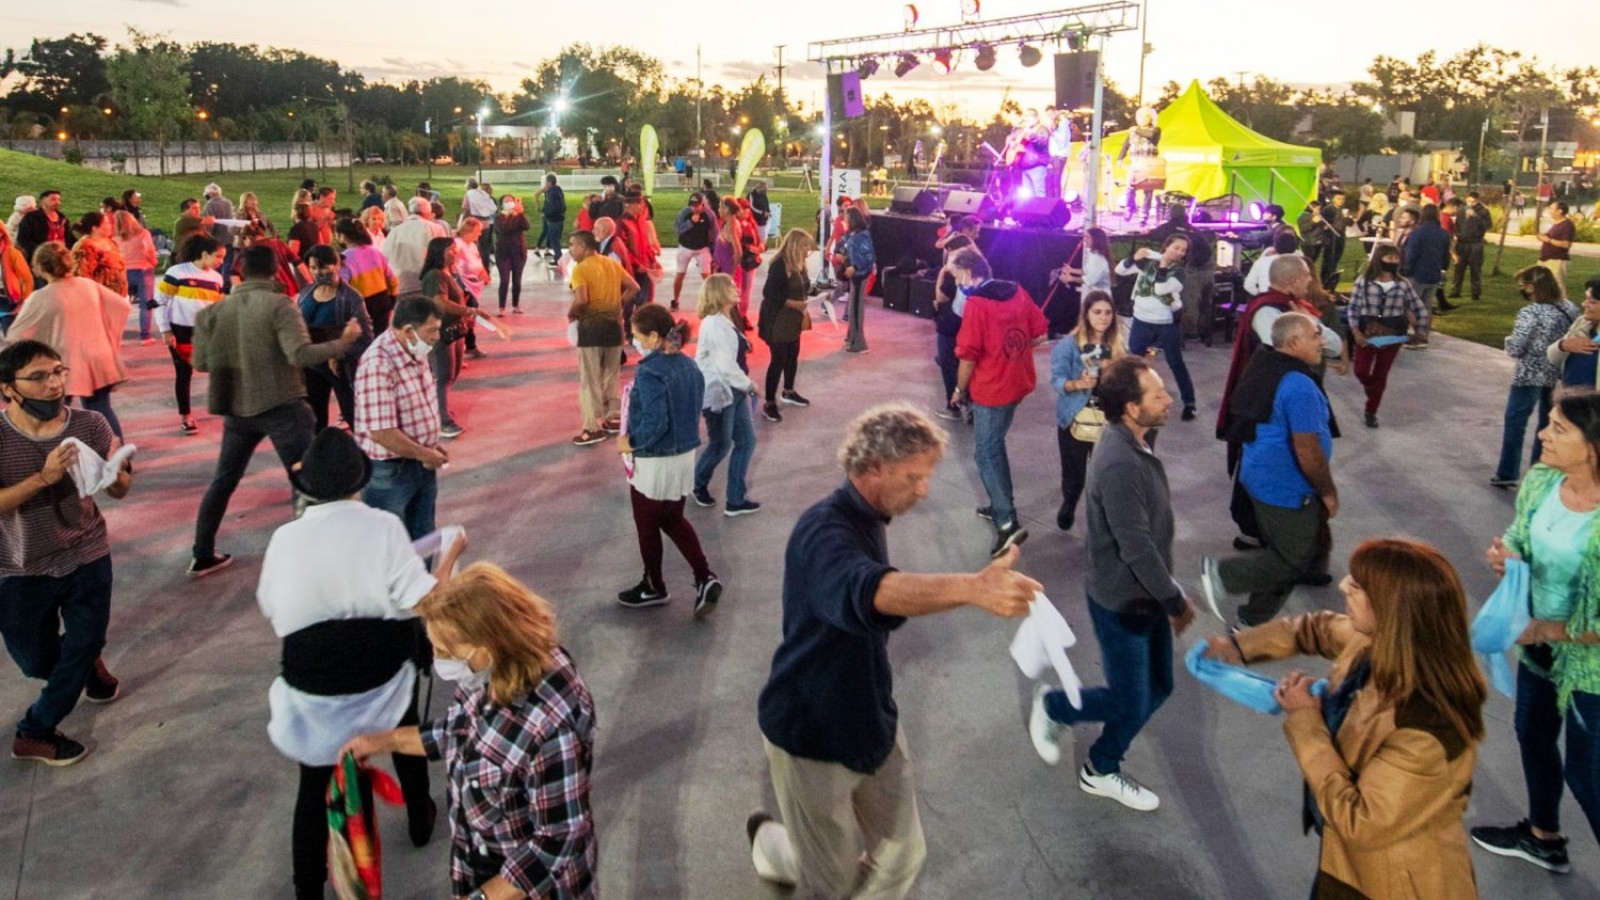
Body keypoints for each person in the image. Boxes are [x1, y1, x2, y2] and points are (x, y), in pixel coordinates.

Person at [748, 403, 1036, 897]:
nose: (924, 490)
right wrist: (973, 588)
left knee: (903, 853)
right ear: (873, 466)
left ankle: (779, 846)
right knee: (831, 882)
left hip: (869, 718)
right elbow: (869, 592)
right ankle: (784, 848)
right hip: (810, 735)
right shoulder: (824, 530)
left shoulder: (870, 516)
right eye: (914, 477)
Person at [1205, 539, 1486, 899]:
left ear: (1391, 609)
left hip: (1390, 882)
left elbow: (1362, 821)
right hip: (1350, 864)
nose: (1342, 586)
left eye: (1356, 585)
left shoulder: (1430, 724)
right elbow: (1315, 628)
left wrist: (1306, 719)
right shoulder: (1378, 641)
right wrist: (1240, 646)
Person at [258, 427, 458, 900]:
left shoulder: (284, 538)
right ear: (359, 480)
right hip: (382, 672)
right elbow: (425, 601)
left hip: (312, 680)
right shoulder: (384, 526)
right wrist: (451, 553)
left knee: (313, 783)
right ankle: (418, 815)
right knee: (406, 733)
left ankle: (308, 887)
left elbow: (274, 607)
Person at [340, 563, 598, 899]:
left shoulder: (549, 727)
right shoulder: (485, 675)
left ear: (490, 645)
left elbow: (557, 842)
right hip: (480, 863)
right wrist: (379, 742)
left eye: (448, 652)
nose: (440, 661)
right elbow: (459, 732)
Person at [1028, 356, 1197, 811]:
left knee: (1158, 688)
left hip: (1147, 595)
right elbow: (1136, 547)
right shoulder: (1121, 463)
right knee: (1129, 699)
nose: (1168, 397)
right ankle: (1068, 725)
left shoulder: (1134, 437)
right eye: (1156, 394)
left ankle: (1097, 757)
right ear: (1129, 408)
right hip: (1124, 600)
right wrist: (1175, 600)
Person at [1470, 391, 1600, 873]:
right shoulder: (1544, 479)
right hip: (1538, 651)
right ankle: (1544, 836)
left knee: (1589, 778)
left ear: (1594, 446)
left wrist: (1544, 627)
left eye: (1559, 428)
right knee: (1534, 735)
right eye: (1547, 422)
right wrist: (1506, 555)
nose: (1543, 434)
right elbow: (1521, 533)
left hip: (1591, 672)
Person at [188, 245, 362, 577]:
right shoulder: (280, 305)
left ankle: (201, 552)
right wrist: (343, 341)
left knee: (224, 480)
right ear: (275, 271)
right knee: (308, 480)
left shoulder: (214, 312)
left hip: (238, 410)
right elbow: (299, 354)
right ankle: (321, 555)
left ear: (241, 270)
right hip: (282, 406)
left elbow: (201, 362)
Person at [0, 340, 131, 766]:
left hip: (86, 550)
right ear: (8, 389)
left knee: (83, 642)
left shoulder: (90, 423)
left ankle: (34, 730)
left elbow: (120, 488)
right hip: (20, 566)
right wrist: (44, 476)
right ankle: (87, 667)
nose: (54, 384)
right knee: (37, 660)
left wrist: (115, 475)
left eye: (58, 371)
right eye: (38, 377)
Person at [1202, 313, 1339, 628]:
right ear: (1294, 342)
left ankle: (1253, 617)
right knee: (1291, 559)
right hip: (1286, 488)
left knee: (1295, 549)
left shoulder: (1267, 364)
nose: (1322, 341)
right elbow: (1307, 449)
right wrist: (1328, 492)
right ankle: (1225, 578)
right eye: (1316, 335)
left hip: (1258, 476)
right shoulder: (1300, 386)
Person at [616, 304, 721, 614]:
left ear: (652, 336)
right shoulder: (688, 366)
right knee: (673, 519)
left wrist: (629, 443)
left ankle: (654, 586)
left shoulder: (650, 371)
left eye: (636, 336)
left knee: (647, 526)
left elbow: (656, 422)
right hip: (684, 457)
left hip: (653, 462)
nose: (633, 341)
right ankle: (704, 577)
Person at [950, 247, 1047, 557]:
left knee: (985, 453)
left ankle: (1007, 523)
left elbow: (967, 356)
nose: (956, 282)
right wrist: (1012, 357)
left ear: (967, 273)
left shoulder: (977, 305)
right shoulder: (1016, 291)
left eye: (955, 276)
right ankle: (999, 504)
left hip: (992, 390)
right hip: (1017, 382)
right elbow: (1039, 333)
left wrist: (957, 389)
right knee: (994, 446)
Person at [7, 242, 131, 438]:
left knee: (55, 411)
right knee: (100, 408)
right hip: (98, 356)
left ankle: (63, 456)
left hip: (64, 362)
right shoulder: (87, 285)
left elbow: (17, 334)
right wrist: (108, 337)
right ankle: (118, 457)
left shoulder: (41, 297)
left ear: (40, 267)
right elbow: (121, 307)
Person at [353, 297, 448, 540]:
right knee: (393, 544)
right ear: (408, 330)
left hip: (420, 461)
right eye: (432, 330)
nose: (436, 336)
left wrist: (429, 446)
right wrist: (425, 453)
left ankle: (422, 578)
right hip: (391, 473)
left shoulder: (415, 348)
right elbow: (382, 432)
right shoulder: (378, 364)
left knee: (423, 536)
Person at [1493, 266, 1580, 488]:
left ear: (1532, 287)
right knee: (1548, 424)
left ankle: (1507, 472)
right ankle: (1539, 471)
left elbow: (1516, 347)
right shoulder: (1570, 308)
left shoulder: (1530, 313)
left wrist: (1508, 341)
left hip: (1528, 375)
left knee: (1516, 422)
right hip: (1555, 373)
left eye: (1522, 285)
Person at [1050, 289, 1126, 531]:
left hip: (1108, 419)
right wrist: (1077, 384)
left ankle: (1101, 521)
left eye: (1108, 312)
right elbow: (1057, 381)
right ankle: (1070, 502)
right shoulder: (1069, 345)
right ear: (1086, 314)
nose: (1103, 318)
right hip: (1075, 416)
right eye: (1097, 312)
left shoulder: (1117, 344)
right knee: (1074, 475)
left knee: (1104, 474)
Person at [692, 274, 760, 516]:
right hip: (722, 393)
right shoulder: (714, 324)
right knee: (721, 444)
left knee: (746, 441)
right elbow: (724, 366)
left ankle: (735, 499)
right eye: (730, 286)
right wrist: (750, 384)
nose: (736, 288)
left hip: (734, 391)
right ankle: (698, 482)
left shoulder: (726, 319)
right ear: (718, 292)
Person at [567, 230, 638, 446]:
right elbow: (634, 287)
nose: (570, 249)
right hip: (613, 327)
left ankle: (591, 427)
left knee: (589, 380)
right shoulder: (610, 263)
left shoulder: (580, 269)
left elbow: (581, 299)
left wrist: (572, 314)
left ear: (583, 246)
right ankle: (613, 416)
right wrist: (617, 304)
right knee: (611, 374)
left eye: (572, 245)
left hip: (590, 329)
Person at [1348, 245, 1430, 428]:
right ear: (1379, 259)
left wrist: (1421, 332)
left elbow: (1419, 308)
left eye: (1396, 258)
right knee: (1360, 370)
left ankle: (1371, 411)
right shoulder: (1363, 282)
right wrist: (1356, 331)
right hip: (1367, 333)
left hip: (1394, 335)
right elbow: (1353, 308)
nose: (1393, 262)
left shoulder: (1403, 284)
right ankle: (1372, 389)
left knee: (1381, 374)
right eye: (1389, 258)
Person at [1118, 234, 1197, 421]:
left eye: (1183, 250)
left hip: (1166, 323)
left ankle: (1189, 403)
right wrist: (1133, 258)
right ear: (1167, 245)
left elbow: (1161, 289)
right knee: (1134, 360)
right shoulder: (1148, 262)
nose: (1179, 252)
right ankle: (1132, 397)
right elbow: (1120, 270)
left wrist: (1162, 263)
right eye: (1176, 247)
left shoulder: (1178, 272)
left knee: (1175, 362)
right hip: (1142, 320)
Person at [156, 233, 227, 435]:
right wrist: (166, 330)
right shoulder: (176, 273)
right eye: (219, 256)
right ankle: (186, 416)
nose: (222, 262)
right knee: (184, 375)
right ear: (205, 254)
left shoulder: (216, 278)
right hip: (179, 332)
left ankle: (223, 405)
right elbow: (160, 301)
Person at [297, 245, 374, 432]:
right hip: (312, 365)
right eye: (313, 268)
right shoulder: (306, 293)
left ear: (337, 265)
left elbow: (366, 338)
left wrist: (339, 354)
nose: (318, 272)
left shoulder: (351, 298)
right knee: (314, 418)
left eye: (323, 267)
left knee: (354, 414)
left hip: (341, 367)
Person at [757, 229, 815, 424]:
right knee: (778, 360)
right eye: (805, 245)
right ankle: (769, 402)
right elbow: (769, 294)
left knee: (793, 356)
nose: (808, 250)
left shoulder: (800, 264)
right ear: (796, 245)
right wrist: (794, 303)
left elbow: (803, 287)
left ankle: (788, 391)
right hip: (778, 319)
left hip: (793, 320)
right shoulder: (780, 265)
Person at [419, 237, 472, 440]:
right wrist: (468, 310)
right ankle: (442, 420)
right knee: (443, 376)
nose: (455, 252)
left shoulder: (447, 273)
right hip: (441, 333)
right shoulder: (434, 276)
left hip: (454, 330)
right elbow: (440, 303)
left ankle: (440, 410)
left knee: (451, 373)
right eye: (450, 250)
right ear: (439, 252)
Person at [932, 216, 982, 417]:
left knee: (949, 362)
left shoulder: (953, 270)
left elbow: (941, 296)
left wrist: (941, 274)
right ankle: (971, 406)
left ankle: (953, 405)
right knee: (969, 362)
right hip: (971, 323)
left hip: (951, 322)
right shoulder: (981, 269)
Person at [336, 216, 400, 334]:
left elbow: (342, 288)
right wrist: (393, 299)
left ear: (342, 236)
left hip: (361, 306)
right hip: (382, 302)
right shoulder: (376, 252)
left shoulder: (344, 259)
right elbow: (393, 279)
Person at [1402, 204, 1453, 333]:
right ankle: (1424, 333)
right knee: (1427, 305)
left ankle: (1411, 332)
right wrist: (1442, 269)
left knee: (1412, 305)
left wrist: (1406, 271)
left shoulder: (1417, 233)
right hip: (1434, 274)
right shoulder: (1443, 234)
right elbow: (1446, 255)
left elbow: (1411, 254)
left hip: (1417, 273)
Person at [384, 198, 448, 297]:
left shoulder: (395, 231)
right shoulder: (435, 228)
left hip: (400, 284)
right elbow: (444, 255)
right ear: (428, 212)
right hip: (426, 284)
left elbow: (384, 256)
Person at [1548, 278, 1600, 393]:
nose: (1583, 304)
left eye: (1592, 302)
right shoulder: (1582, 323)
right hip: (1571, 401)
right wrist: (1563, 345)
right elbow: (1552, 357)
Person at [836, 206, 876, 354]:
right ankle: (852, 336)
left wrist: (855, 267)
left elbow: (870, 258)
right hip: (854, 275)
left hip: (860, 275)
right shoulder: (851, 234)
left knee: (856, 309)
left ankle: (859, 344)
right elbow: (841, 245)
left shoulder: (862, 236)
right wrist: (839, 254)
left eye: (846, 217)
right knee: (852, 307)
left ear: (852, 219)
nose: (844, 219)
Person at [113, 210, 157, 344]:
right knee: (145, 304)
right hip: (143, 269)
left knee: (120, 304)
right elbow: (149, 249)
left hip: (123, 270)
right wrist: (153, 261)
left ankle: (115, 335)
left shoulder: (115, 238)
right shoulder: (143, 233)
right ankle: (145, 336)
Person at [452, 218, 490, 361]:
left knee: (471, 317)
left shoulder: (472, 245)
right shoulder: (457, 244)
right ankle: (462, 348)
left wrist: (483, 274)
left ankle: (469, 346)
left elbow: (477, 262)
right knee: (465, 316)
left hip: (474, 284)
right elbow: (453, 265)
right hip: (463, 285)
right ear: (468, 231)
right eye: (477, 231)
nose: (479, 234)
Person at [672, 192, 717, 311]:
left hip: (701, 248)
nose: (694, 208)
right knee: (680, 273)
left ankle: (711, 301)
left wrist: (712, 248)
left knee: (707, 276)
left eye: (696, 205)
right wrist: (690, 223)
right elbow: (677, 229)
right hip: (685, 246)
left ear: (702, 205)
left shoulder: (709, 214)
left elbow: (715, 232)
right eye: (692, 205)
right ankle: (675, 300)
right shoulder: (684, 213)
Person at [1118, 107, 1163, 222]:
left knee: (1148, 191)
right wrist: (1120, 158)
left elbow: (1150, 135)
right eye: (1139, 116)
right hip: (1136, 162)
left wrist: (1135, 130)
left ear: (1150, 118)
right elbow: (1125, 145)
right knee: (1129, 187)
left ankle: (1144, 214)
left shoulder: (1155, 130)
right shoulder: (1132, 132)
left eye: (1144, 116)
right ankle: (1130, 208)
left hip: (1149, 163)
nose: (1141, 119)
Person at [68, 212, 127, 299]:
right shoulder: (85, 246)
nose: (110, 225)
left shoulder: (110, 242)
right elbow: (81, 274)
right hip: (98, 298)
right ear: (95, 228)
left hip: (117, 297)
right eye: (106, 223)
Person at [493, 194, 531, 315]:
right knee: (504, 280)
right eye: (506, 201)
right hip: (503, 252)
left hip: (518, 252)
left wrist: (520, 213)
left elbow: (526, 226)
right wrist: (512, 215)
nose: (509, 203)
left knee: (517, 280)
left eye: (511, 200)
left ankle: (516, 305)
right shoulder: (499, 217)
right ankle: (501, 307)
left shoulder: (518, 216)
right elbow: (504, 229)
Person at [1450, 190, 1491, 301]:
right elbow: (1457, 224)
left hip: (1475, 243)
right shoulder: (1461, 210)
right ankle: (1455, 290)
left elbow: (1487, 226)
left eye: (1473, 202)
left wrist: (1476, 217)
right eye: (1468, 201)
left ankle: (1476, 292)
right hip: (1462, 242)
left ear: (1478, 201)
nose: (1470, 204)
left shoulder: (1483, 211)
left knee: (1475, 268)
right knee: (1459, 268)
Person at [0, 223, 35, 337]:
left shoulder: (12, 254)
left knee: (11, 336)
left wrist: (23, 303)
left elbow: (28, 280)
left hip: (8, 301)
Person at [15, 190, 67, 264]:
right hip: (40, 258)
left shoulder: (62, 218)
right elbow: (23, 238)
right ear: (43, 201)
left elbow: (68, 237)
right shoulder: (32, 217)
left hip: (60, 257)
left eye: (59, 200)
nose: (57, 202)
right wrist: (39, 251)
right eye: (53, 199)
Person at [1540, 201, 1577, 300]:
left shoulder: (1567, 225)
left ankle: (1564, 309)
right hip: (1546, 259)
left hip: (1557, 260)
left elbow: (1566, 244)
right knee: (1546, 287)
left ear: (1560, 211)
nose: (1549, 211)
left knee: (1558, 288)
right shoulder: (1556, 224)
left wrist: (1548, 240)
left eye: (1552, 209)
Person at [459, 178, 496, 269]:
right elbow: (492, 208)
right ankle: (485, 268)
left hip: (475, 224)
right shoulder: (483, 194)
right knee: (485, 247)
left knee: (473, 247)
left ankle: (475, 267)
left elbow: (467, 210)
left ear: (468, 186)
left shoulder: (469, 194)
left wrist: (461, 224)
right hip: (486, 224)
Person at [534, 174, 566, 257]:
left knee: (551, 234)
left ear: (549, 182)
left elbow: (554, 206)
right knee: (547, 232)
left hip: (551, 215)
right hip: (553, 215)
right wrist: (538, 206)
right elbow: (536, 195)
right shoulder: (555, 189)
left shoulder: (552, 191)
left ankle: (550, 251)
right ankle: (539, 248)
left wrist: (544, 212)